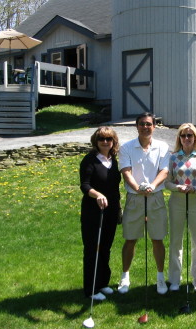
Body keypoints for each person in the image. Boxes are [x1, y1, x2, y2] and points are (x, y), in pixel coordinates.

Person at [118, 112, 170, 295]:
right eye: (142, 124)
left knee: (157, 238)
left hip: (155, 196)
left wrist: (152, 186)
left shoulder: (163, 147)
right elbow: (126, 172)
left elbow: (164, 171)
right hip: (135, 197)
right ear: (137, 126)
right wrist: (138, 188)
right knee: (130, 238)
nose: (145, 127)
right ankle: (125, 276)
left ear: (154, 126)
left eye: (148, 124)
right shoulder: (126, 148)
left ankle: (160, 277)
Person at [165, 123, 196, 293]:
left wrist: (195, 189)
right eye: (183, 135)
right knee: (176, 240)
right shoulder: (173, 157)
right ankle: (175, 279)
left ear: (195, 138)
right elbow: (167, 182)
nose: (186, 138)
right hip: (177, 201)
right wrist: (178, 188)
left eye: (190, 135)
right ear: (179, 138)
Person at [80, 127, 121, 301]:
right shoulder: (89, 160)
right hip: (93, 211)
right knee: (92, 249)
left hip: (110, 211)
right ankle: (91, 289)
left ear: (113, 142)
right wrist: (97, 195)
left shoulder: (113, 160)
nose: (105, 142)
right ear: (96, 141)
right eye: (102, 139)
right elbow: (85, 185)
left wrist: (118, 209)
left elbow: (115, 188)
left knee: (105, 247)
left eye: (108, 139)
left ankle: (103, 283)